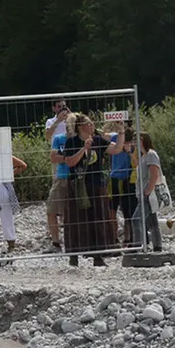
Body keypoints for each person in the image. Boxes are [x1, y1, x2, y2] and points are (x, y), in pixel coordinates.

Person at [63, 113, 125, 267]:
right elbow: (70, 162)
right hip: (78, 185)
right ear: (80, 127)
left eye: (91, 123)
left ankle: (98, 255)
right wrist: (83, 149)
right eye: (88, 124)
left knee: (97, 217)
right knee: (76, 218)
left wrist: (121, 131)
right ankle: (74, 254)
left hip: (96, 184)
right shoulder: (71, 142)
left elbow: (116, 149)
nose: (91, 126)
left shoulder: (97, 140)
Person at [45, 99, 70, 253]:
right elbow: (48, 135)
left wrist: (70, 116)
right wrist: (58, 121)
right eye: (59, 107)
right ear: (54, 108)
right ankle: (56, 240)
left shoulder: (72, 119)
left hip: (73, 157)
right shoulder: (51, 121)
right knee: (57, 189)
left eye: (64, 106)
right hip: (58, 157)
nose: (62, 109)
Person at [132, 133, 163, 252]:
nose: (134, 141)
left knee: (136, 219)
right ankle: (157, 246)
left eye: (136, 139)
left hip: (148, 194)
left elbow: (154, 174)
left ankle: (138, 246)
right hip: (143, 193)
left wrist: (148, 191)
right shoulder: (143, 156)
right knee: (152, 221)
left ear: (143, 140)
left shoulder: (151, 154)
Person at [108, 126, 138, 246]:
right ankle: (113, 238)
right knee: (112, 210)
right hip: (114, 177)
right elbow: (104, 134)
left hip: (128, 179)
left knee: (128, 212)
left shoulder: (135, 145)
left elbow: (137, 163)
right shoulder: (116, 137)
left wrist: (130, 151)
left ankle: (128, 238)